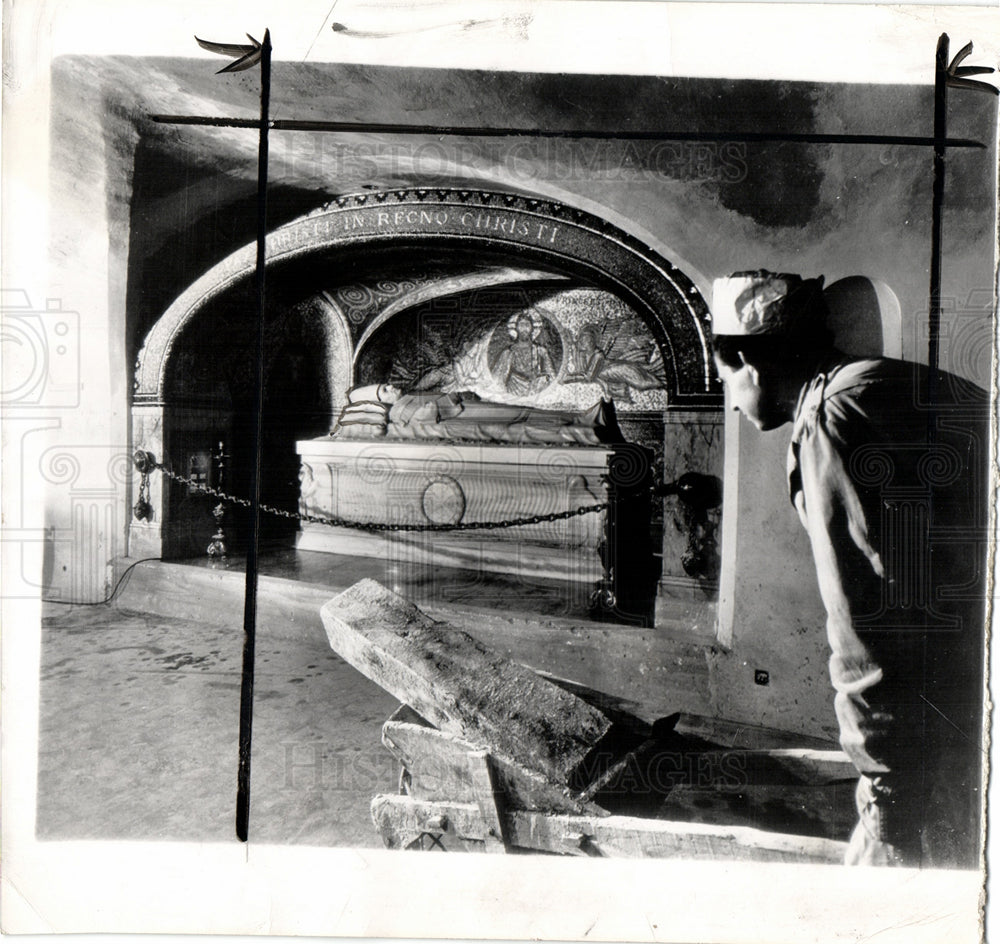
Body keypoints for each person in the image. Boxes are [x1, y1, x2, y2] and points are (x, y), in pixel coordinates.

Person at [710, 269, 988, 867]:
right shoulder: (888, 384)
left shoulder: (831, 421)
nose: (732, 403)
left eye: (727, 381)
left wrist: (885, 808)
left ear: (751, 366)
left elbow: (870, 627)